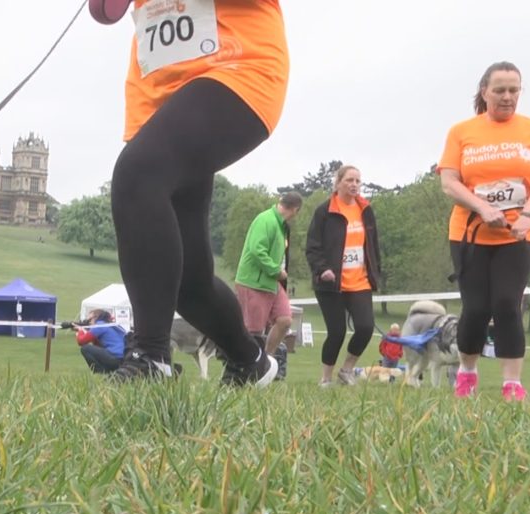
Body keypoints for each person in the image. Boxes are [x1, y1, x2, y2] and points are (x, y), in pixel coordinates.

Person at [106, 0, 289, 386]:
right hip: (160, 90)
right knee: (188, 281)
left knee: (137, 176)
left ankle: (151, 356)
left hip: (236, 65)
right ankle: (249, 361)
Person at [438, 61, 530, 401]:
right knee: (476, 308)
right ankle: (467, 373)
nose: (507, 97)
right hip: (470, 232)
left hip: (519, 232)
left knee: (507, 303)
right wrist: (482, 207)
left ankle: (512, 384)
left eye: (514, 90)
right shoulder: (462, 131)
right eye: (500, 90)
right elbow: (449, 181)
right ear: (485, 92)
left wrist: (528, 213)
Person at [305, 165, 383, 387]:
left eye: (358, 181)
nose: (354, 185)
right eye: (349, 180)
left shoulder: (366, 210)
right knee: (337, 332)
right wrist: (322, 269)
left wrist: (376, 271)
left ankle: (346, 369)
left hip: (360, 281)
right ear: (338, 183)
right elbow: (312, 247)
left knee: (366, 327)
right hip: (331, 284)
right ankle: (325, 378)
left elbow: (373, 245)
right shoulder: (324, 212)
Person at [233, 191, 303, 380]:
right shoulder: (266, 220)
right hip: (253, 282)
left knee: (285, 320)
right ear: (295, 210)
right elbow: (257, 250)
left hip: (271, 283)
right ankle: (247, 371)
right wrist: (276, 270)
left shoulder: (280, 225)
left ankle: (266, 360)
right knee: (253, 331)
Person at [71, 309, 127, 374]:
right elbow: (98, 346)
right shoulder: (109, 324)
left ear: (96, 317)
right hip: (124, 359)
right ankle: (108, 372)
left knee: (85, 348)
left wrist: (80, 331)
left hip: (115, 358)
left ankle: (99, 372)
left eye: (89, 320)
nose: (89, 323)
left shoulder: (99, 325)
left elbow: (81, 341)